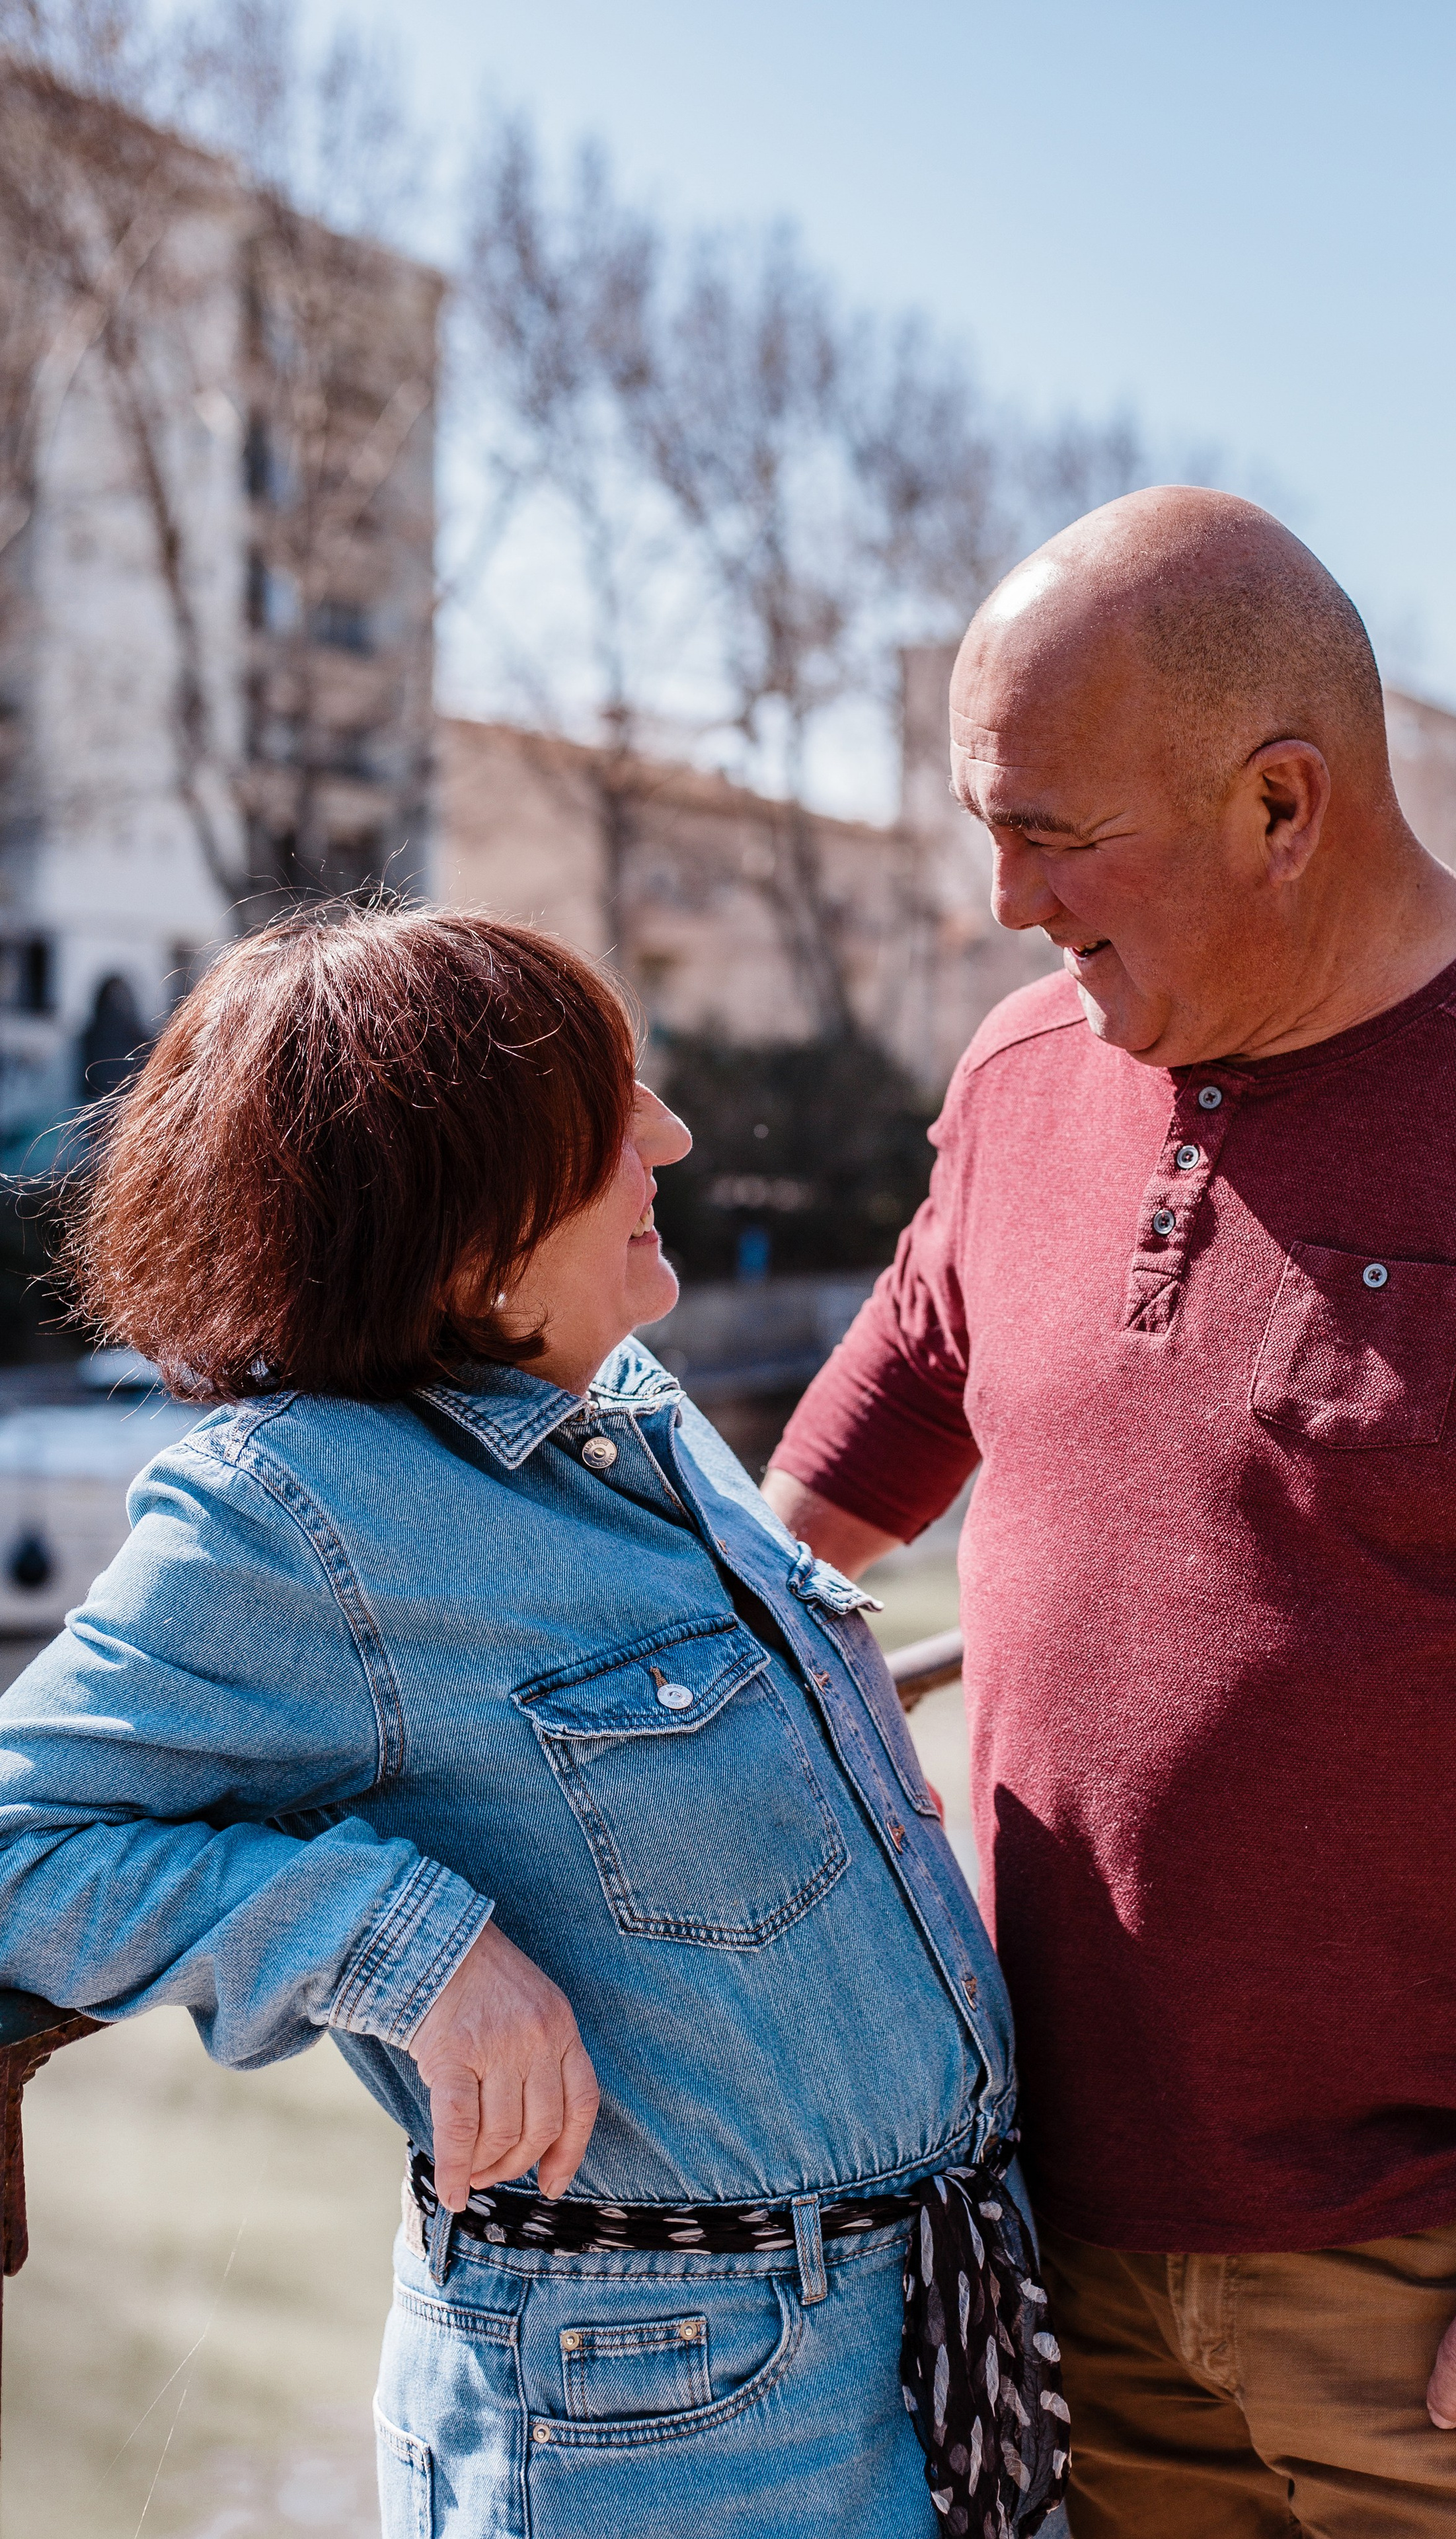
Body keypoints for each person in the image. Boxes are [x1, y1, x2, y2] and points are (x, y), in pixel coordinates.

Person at [765, 486, 1456, 2536]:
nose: (1001, 900)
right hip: (1054, 2272)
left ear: (1286, 804)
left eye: (1050, 832)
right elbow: (795, 1532)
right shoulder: (1022, 1077)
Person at [0, 906, 1068, 2539]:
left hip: (928, 2334)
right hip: (663, 2423)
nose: (672, 1138)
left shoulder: (631, 1408)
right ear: (459, 1216)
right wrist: (390, 1939)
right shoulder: (288, 1511)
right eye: (605, 1111)